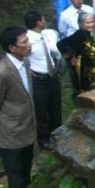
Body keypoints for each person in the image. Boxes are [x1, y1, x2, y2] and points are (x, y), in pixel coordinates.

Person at [0, 26, 51, 188]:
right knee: (14, 168)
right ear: (12, 48)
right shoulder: (1, 72)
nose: (29, 45)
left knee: (26, 161)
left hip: (27, 125)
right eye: (24, 43)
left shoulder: (24, 62)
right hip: (10, 130)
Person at [24, 11, 62, 151]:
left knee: (55, 106)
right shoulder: (27, 39)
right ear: (39, 22)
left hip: (51, 76)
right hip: (39, 79)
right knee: (41, 110)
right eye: (43, 18)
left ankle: (57, 133)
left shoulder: (44, 35)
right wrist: (27, 68)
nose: (45, 20)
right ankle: (44, 139)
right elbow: (20, 55)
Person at [58, 11, 95, 96]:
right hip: (83, 66)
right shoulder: (77, 35)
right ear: (81, 24)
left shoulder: (87, 33)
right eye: (87, 23)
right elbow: (60, 44)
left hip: (92, 65)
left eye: (92, 22)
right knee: (86, 89)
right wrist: (70, 57)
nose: (90, 25)